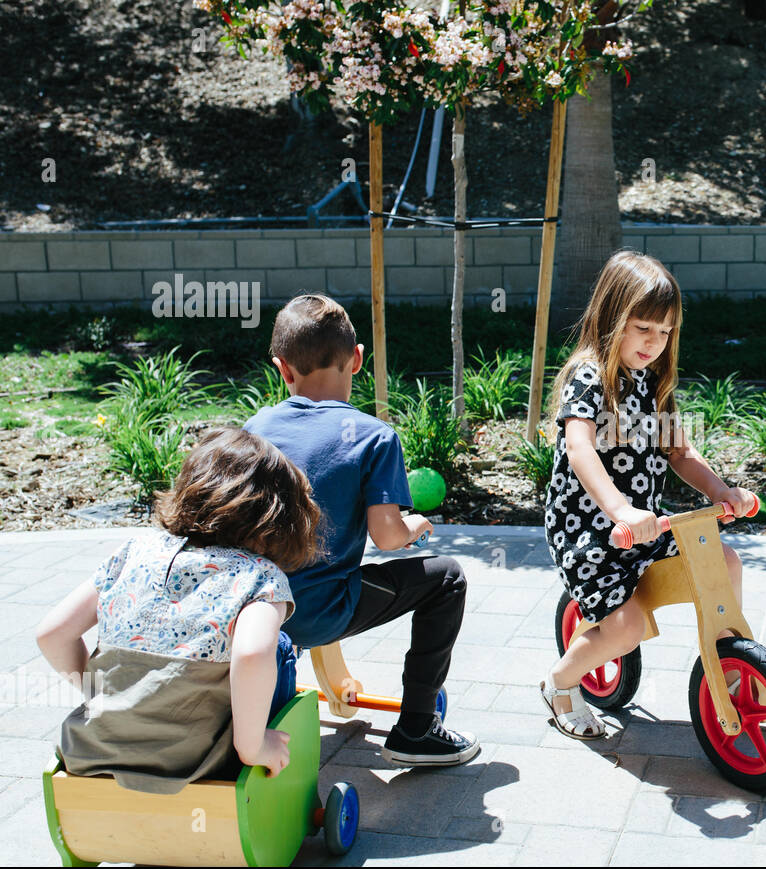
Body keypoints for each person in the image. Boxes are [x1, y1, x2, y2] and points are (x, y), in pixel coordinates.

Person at [244, 293, 478, 766]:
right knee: (447, 578)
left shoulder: (255, 428)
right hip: (320, 611)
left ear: (282, 369)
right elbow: (387, 537)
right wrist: (415, 524)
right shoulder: (373, 435)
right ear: (357, 360)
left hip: (255, 611)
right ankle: (417, 728)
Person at [36, 427, 320, 792]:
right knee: (277, 646)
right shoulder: (259, 577)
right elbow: (251, 655)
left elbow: (51, 633)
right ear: (276, 516)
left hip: (92, 750)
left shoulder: (135, 551)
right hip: (195, 760)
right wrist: (253, 747)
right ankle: (256, 747)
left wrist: (101, 695)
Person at [542, 250, 753, 738]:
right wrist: (619, 509)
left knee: (724, 562)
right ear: (613, 318)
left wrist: (723, 490)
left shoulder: (654, 380)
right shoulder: (590, 375)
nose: (655, 343)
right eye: (644, 328)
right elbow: (579, 448)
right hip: (589, 529)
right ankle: (558, 683)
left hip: (645, 523)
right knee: (626, 629)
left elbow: (679, 451)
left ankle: (728, 661)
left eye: (666, 332)